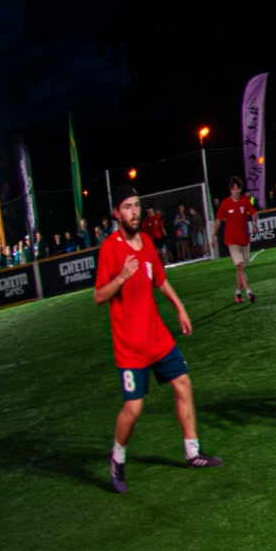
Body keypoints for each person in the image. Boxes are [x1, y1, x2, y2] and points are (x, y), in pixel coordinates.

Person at [94, 185, 222, 492]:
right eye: (127, 207)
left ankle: (192, 453)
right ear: (116, 213)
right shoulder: (110, 248)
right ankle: (117, 458)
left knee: (183, 383)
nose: (134, 212)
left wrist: (180, 308)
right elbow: (99, 296)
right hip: (130, 347)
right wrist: (122, 277)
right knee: (134, 408)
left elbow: (160, 280)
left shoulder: (148, 242)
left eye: (137, 205)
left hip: (157, 337)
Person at [215, 180, 258, 303]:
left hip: (244, 240)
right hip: (232, 241)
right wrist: (213, 235)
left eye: (238, 188)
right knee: (240, 267)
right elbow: (218, 219)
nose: (236, 191)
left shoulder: (245, 200)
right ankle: (249, 292)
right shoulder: (225, 203)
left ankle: (237, 293)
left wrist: (255, 224)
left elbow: (254, 213)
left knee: (241, 268)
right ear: (230, 190)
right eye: (233, 188)